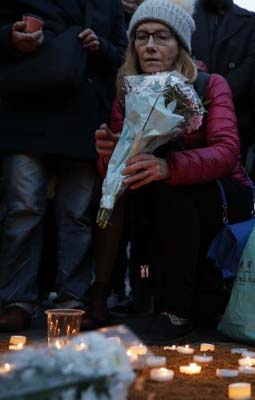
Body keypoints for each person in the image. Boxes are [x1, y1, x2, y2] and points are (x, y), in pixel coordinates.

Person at [94, 0, 253, 342]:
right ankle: (141, 299)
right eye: (141, 36)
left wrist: (169, 166)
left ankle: (176, 313)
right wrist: (111, 155)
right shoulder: (128, 90)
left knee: (170, 192)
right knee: (140, 194)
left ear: (180, 45)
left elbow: (226, 152)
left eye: (161, 37)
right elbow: (121, 171)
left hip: (219, 190)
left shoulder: (209, 85)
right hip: (160, 189)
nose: (149, 45)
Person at [0, 0, 127, 332]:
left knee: (77, 213)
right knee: (23, 208)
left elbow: (123, 54)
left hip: (83, 116)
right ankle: (17, 300)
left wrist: (101, 47)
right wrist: (11, 38)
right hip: (25, 110)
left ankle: (72, 302)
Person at [192, 0, 255, 159]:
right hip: (186, 115)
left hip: (234, 118)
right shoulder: (185, 14)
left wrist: (216, 95)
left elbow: (252, 66)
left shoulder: (251, 21)